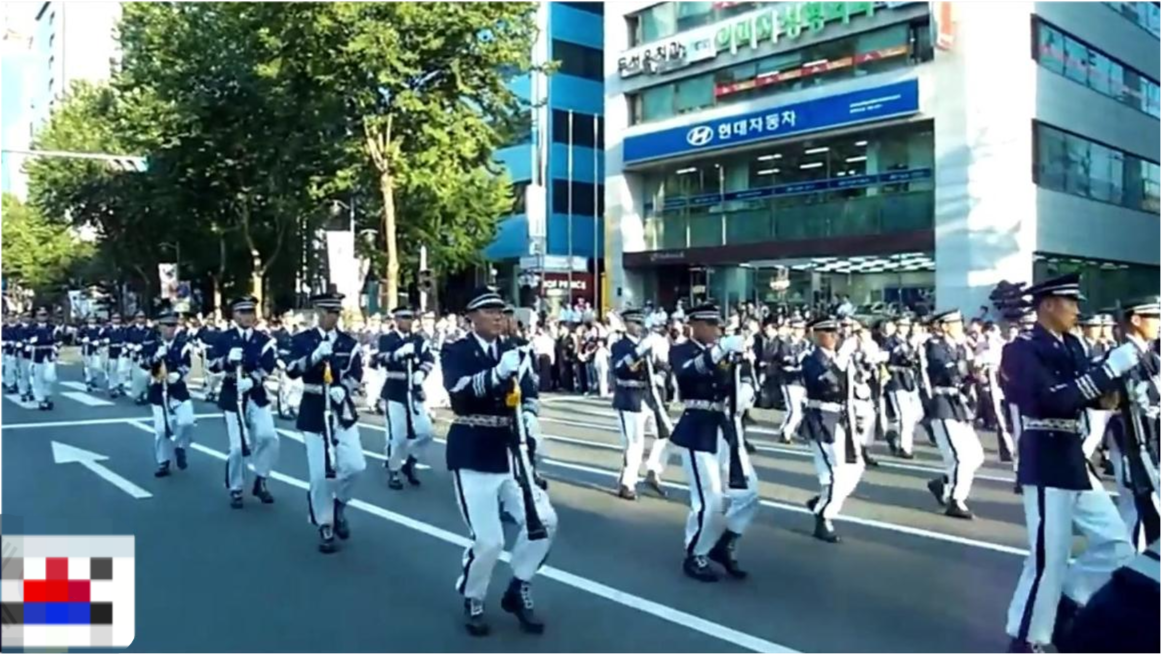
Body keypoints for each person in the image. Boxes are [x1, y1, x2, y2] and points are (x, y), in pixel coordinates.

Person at [1002, 273, 1138, 654]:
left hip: (1073, 456)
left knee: (1115, 544)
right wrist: (1107, 371)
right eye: (1071, 302)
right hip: (1044, 456)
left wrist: (1113, 383)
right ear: (1048, 305)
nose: (1077, 310)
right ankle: (1027, 637)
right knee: (1049, 555)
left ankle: (1064, 600)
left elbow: (1091, 396)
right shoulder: (1022, 349)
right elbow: (1053, 400)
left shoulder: (1073, 345)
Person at [442, 288, 557, 637]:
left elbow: (530, 392)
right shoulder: (456, 351)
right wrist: (495, 375)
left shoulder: (515, 349)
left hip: (510, 450)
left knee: (545, 522)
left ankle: (519, 585)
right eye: (489, 310)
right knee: (489, 540)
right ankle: (474, 597)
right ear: (471, 317)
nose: (497, 316)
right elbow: (460, 396)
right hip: (473, 450)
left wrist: (532, 416)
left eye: (501, 311)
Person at [670, 303, 759, 583]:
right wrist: (721, 351)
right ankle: (696, 553)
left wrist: (746, 384)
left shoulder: (725, 352)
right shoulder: (681, 349)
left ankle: (724, 542)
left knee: (749, 492)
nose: (717, 331)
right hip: (698, 427)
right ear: (696, 325)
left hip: (726, 427)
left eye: (718, 326)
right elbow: (689, 372)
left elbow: (742, 379)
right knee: (710, 499)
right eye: (711, 326)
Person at [287, 293, 368, 554]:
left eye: (335, 312)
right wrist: (313, 357)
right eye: (326, 312)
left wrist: (344, 388)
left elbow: (357, 373)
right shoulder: (302, 340)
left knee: (355, 466)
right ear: (317, 312)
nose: (331, 317)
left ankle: (340, 505)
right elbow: (291, 369)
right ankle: (325, 525)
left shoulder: (348, 343)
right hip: (313, 408)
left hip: (340, 409)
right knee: (320, 474)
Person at [210, 296, 281, 510]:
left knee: (269, 437)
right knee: (237, 447)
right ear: (234, 315)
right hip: (232, 393)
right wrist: (227, 360)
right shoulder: (224, 338)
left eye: (251, 312)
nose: (248, 317)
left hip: (256, 392)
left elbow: (268, 365)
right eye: (243, 313)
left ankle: (261, 479)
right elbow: (212, 364)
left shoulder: (263, 339)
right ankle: (236, 487)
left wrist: (253, 379)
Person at [1105, 298, 1161, 552]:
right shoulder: (1121, 356)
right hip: (1133, 444)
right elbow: (1106, 408)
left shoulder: (1150, 356)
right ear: (1136, 320)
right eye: (1154, 317)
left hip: (1152, 442)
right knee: (1141, 514)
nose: (1159, 323)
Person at [802, 316, 864, 543]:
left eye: (836, 332)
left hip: (842, 418)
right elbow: (823, 383)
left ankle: (823, 501)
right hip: (821, 419)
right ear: (817, 335)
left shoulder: (841, 358)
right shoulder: (810, 359)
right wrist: (842, 358)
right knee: (834, 472)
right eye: (829, 332)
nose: (834, 337)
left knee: (856, 466)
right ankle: (824, 515)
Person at [924, 310, 986, 520]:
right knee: (960, 457)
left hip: (959, 404)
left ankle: (944, 484)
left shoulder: (959, 347)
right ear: (943, 326)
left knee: (976, 455)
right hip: (943, 404)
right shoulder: (935, 346)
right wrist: (968, 367)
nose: (960, 326)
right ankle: (955, 500)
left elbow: (966, 376)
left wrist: (976, 373)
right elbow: (946, 370)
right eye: (955, 323)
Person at [611, 308, 671, 500]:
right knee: (634, 443)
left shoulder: (649, 343)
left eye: (641, 323)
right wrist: (639, 351)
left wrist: (661, 375)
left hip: (650, 396)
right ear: (626, 324)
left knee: (666, 435)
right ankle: (627, 483)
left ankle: (653, 469)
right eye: (635, 323)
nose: (639, 327)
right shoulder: (619, 345)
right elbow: (620, 369)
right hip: (629, 397)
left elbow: (663, 366)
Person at [377, 306, 436, 490]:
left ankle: (410, 461)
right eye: (404, 317)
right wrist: (398, 354)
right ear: (396, 319)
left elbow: (429, 359)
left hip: (414, 390)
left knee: (426, 432)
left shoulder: (418, 340)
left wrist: (422, 373)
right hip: (394, 391)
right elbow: (380, 358)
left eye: (410, 318)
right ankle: (393, 470)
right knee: (398, 435)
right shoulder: (387, 339)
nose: (408, 321)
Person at [141, 311, 195, 478]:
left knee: (187, 421)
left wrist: (178, 374)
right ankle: (163, 461)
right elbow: (144, 363)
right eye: (167, 325)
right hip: (158, 388)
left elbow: (187, 364)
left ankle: (180, 446)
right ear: (160, 326)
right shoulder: (151, 342)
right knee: (161, 430)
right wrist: (156, 356)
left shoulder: (182, 342)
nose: (171, 329)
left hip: (177, 388)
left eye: (174, 325)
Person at [884, 316, 922, 459]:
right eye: (902, 325)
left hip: (910, 381)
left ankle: (893, 432)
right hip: (897, 380)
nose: (906, 328)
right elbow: (892, 357)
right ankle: (905, 447)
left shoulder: (908, 340)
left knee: (918, 413)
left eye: (907, 325)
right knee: (905, 416)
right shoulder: (890, 341)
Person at [775, 319, 810, 444]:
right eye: (797, 329)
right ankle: (786, 432)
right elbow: (786, 361)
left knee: (797, 410)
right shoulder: (785, 344)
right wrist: (798, 360)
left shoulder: (804, 344)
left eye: (802, 329)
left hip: (801, 381)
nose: (800, 332)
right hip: (789, 380)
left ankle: (785, 430)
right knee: (794, 410)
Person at [28, 307, 58, 411]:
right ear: (36, 316)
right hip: (37, 353)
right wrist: (29, 342)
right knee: (38, 377)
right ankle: (40, 400)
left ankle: (47, 395)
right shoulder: (31, 328)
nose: (43, 317)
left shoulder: (52, 327)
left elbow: (58, 339)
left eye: (44, 314)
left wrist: (57, 346)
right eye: (40, 315)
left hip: (49, 353)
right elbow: (26, 339)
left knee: (50, 377)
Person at [125, 310, 155, 405]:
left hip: (147, 356)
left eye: (143, 317)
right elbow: (125, 340)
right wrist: (130, 346)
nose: (141, 319)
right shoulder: (130, 330)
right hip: (135, 356)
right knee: (137, 377)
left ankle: (146, 394)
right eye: (139, 317)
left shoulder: (150, 331)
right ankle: (138, 396)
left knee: (147, 377)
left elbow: (154, 342)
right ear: (135, 318)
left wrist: (143, 346)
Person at [103, 314, 128, 399]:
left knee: (122, 369)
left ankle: (121, 385)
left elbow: (128, 338)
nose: (116, 320)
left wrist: (126, 344)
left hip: (122, 350)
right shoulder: (107, 330)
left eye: (118, 318)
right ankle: (112, 387)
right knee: (112, 369)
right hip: (112, 350)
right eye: (114, 318)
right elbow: (100, 338)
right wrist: (105, 341)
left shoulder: (124, 329)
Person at [79, 315, 105, 393]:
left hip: (96, 350)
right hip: (86, 350)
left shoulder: (99, 329)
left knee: (96, 366)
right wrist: (82, 340)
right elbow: (78, 338)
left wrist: (99, 342)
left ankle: (94, 378)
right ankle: (88, 381)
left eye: (93, 319)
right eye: (90, 319)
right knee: (87, 366)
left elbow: (104, 338)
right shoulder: (84, 329)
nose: (92, 320)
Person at [1, 313, 17, 393]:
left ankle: (19, 385)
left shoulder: (19, 328)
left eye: (13, 316)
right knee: (9, 369)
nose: (11, 318)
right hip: (8, 351)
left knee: (19, 370)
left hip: (19, 351)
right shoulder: (4, 329)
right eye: (10, 316)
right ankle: (10, 385)